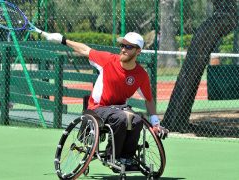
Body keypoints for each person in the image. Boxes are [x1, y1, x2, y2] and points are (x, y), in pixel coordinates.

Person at [43, 31, 168, 169]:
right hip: (98, 108)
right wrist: (62, 39)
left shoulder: (141, 75)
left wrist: (155, 123)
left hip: (120, 108)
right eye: (122, 45)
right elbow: (85, 50)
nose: (123, 49)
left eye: (128, 47)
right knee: (121, 118)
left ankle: (126, 158)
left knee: (137, 120)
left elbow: (149, 100)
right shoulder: (108, 60)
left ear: (138, 51)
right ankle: (112, 157)